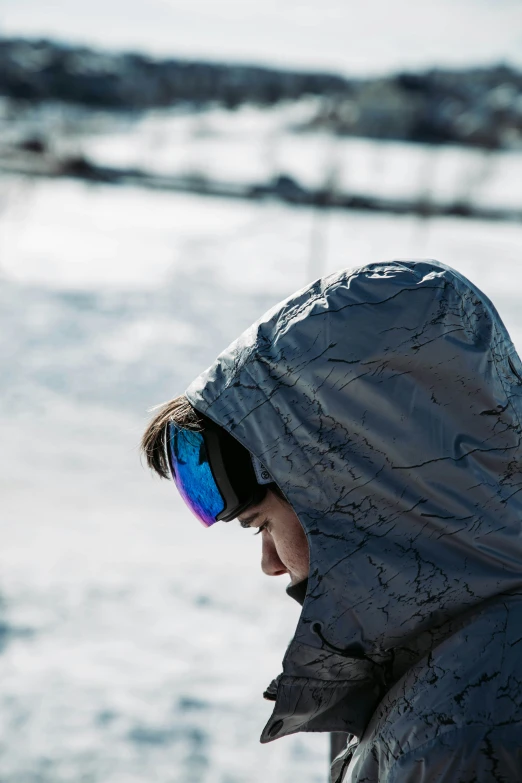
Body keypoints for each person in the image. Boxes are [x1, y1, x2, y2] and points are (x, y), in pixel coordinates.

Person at [141, 259, 522, 782]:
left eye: (262, 525)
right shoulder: (433, 671)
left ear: (346, 492)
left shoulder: (466, 730)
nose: (269, 564)